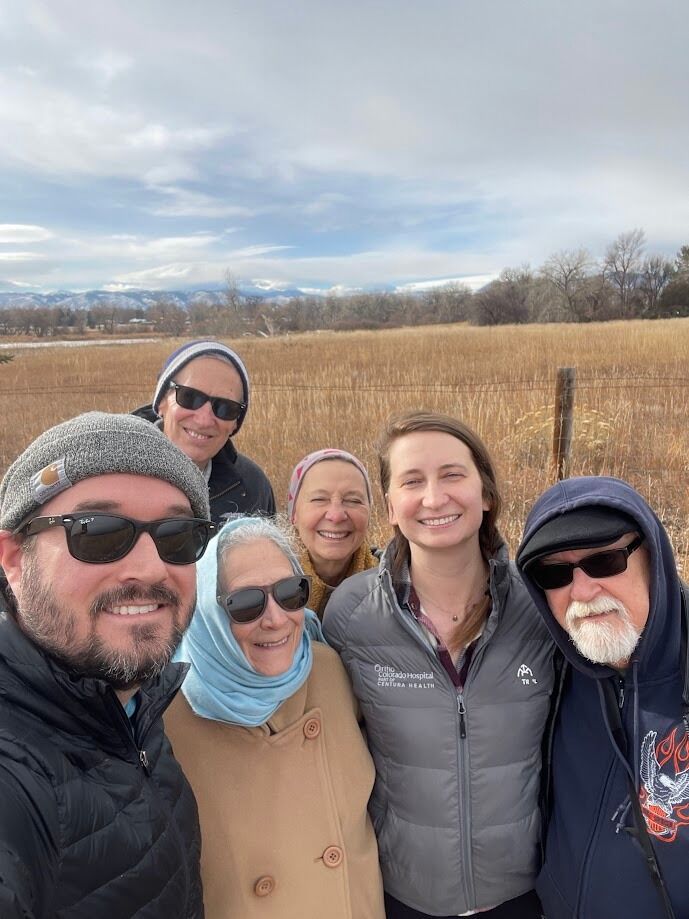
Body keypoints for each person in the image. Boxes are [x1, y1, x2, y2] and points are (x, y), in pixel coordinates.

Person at [323, 410, 554, 919]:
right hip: (402, 893)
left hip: (524, 891)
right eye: (412, 481)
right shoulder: (351, 614)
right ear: (389, 507)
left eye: (452, 475)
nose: (433, 498)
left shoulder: (540, 608)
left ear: (486, 493)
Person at [0, 411, 215, 917]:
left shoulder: (136, 709)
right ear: (12, 557)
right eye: (97, 532)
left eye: (177, 535)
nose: (149, 567)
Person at [165, 515, 385, 919]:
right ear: (210, 612)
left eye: (289, 592)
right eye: (245, 603)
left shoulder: (328, 669)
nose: (276, 618)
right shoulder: (168, 715)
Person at [516, 475, 689, 919]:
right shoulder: (547, 673)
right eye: (554, 573)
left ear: (653, 556)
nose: (583, 591)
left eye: (606, 560)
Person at [134, 339, 276, 525]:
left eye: (226, 407)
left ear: (235, 424)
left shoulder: (251, 487)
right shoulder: (112, 472)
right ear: (161, 402)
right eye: (190, 397)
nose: (204, 420)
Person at [287, 448, 378, 619]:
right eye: (319, 499)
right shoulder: (267, 588)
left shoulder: (392, 588)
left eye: (353, 501)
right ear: (294, 514)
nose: (336, 516)